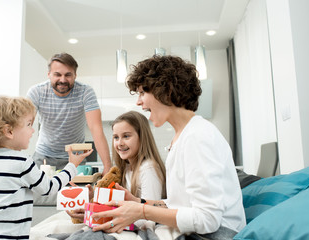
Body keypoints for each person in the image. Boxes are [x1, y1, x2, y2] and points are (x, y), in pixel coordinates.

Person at [92, 55, 246, 238]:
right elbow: (179, 205)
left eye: (142, 93)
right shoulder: (183, 136)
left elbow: (208, 219)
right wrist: (137, 202)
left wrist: (142, 211)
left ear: (165, 91)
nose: (138, 102)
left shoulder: (198, 137)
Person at [0, 96, 92, 240]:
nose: (32, 131)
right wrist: (72, 165)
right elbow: (48, 188)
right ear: (9, 131)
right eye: (29, 124)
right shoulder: (22, 162)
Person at [67, 111, 166, 222]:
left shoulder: (148, 169)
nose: (120, 143)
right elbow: (118, 207)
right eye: (116, 137)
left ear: (142, 137)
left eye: (126, 136)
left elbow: (150, 216)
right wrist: (91, 203)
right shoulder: (126, 169)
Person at [27, 52, 111, 174]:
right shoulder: (36, 92)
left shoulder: (85, 92)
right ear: (49, 74)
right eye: (57, 74)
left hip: (76, 157)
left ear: (75, 75)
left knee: (78, 193)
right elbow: (24, 125)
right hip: (44, 156)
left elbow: (96, 128)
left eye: (68, 75)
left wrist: (107, 166)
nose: (63, 80)